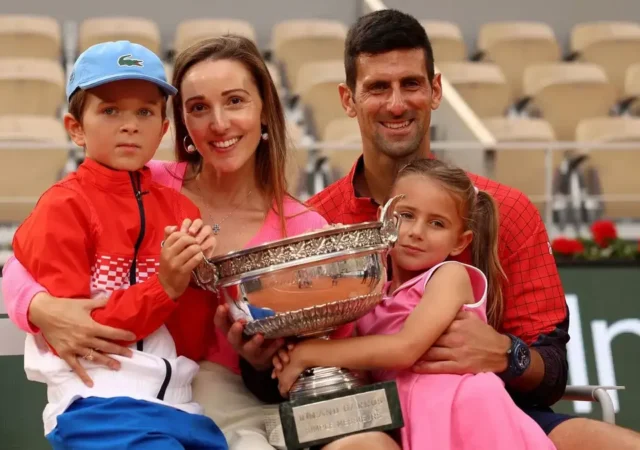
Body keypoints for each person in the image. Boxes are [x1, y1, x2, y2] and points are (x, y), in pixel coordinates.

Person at [236, 9, 640, 450]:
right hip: (365, 419)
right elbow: (282, 376)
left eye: (411, 84)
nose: (396, 103)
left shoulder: (506, 208)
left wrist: (506, 354)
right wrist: (258, 361)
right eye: (377, 88)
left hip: (489, 409)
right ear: (348, 100)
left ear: (436, 90)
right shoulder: (313, 222)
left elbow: (553, 372)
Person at [2, 35, 391, 450]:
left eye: (236, 101)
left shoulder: (304, 225)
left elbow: (326, 350)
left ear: (265, 112)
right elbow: (25, 260)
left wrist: (258, 360)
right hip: (160, 397)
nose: (219, 123)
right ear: (181, 124)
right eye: (199, 108)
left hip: (242, 401)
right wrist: (40, 308)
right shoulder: (138, 176)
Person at [10, 40, 227, 449]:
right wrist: (164, 285)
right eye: (110, 111)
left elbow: (191, 341)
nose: (130, 125)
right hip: (96, 405)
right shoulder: (62, 206)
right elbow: (82, 335)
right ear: (75, 127)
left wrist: (199, 280)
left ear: (163, 129)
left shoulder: (180, 208)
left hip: (179, 407)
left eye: (145, 112)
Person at [273, 158, 557, 449]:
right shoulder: (372, 294)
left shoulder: (450, 276)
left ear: (460, 242)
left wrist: (312, 353)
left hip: (471, 414)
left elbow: (405, 349)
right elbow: (364, 367)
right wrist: (296, 361)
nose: (416, 231)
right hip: (414, 420)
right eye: (406, 215)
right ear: (384, 219)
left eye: (437, 223)